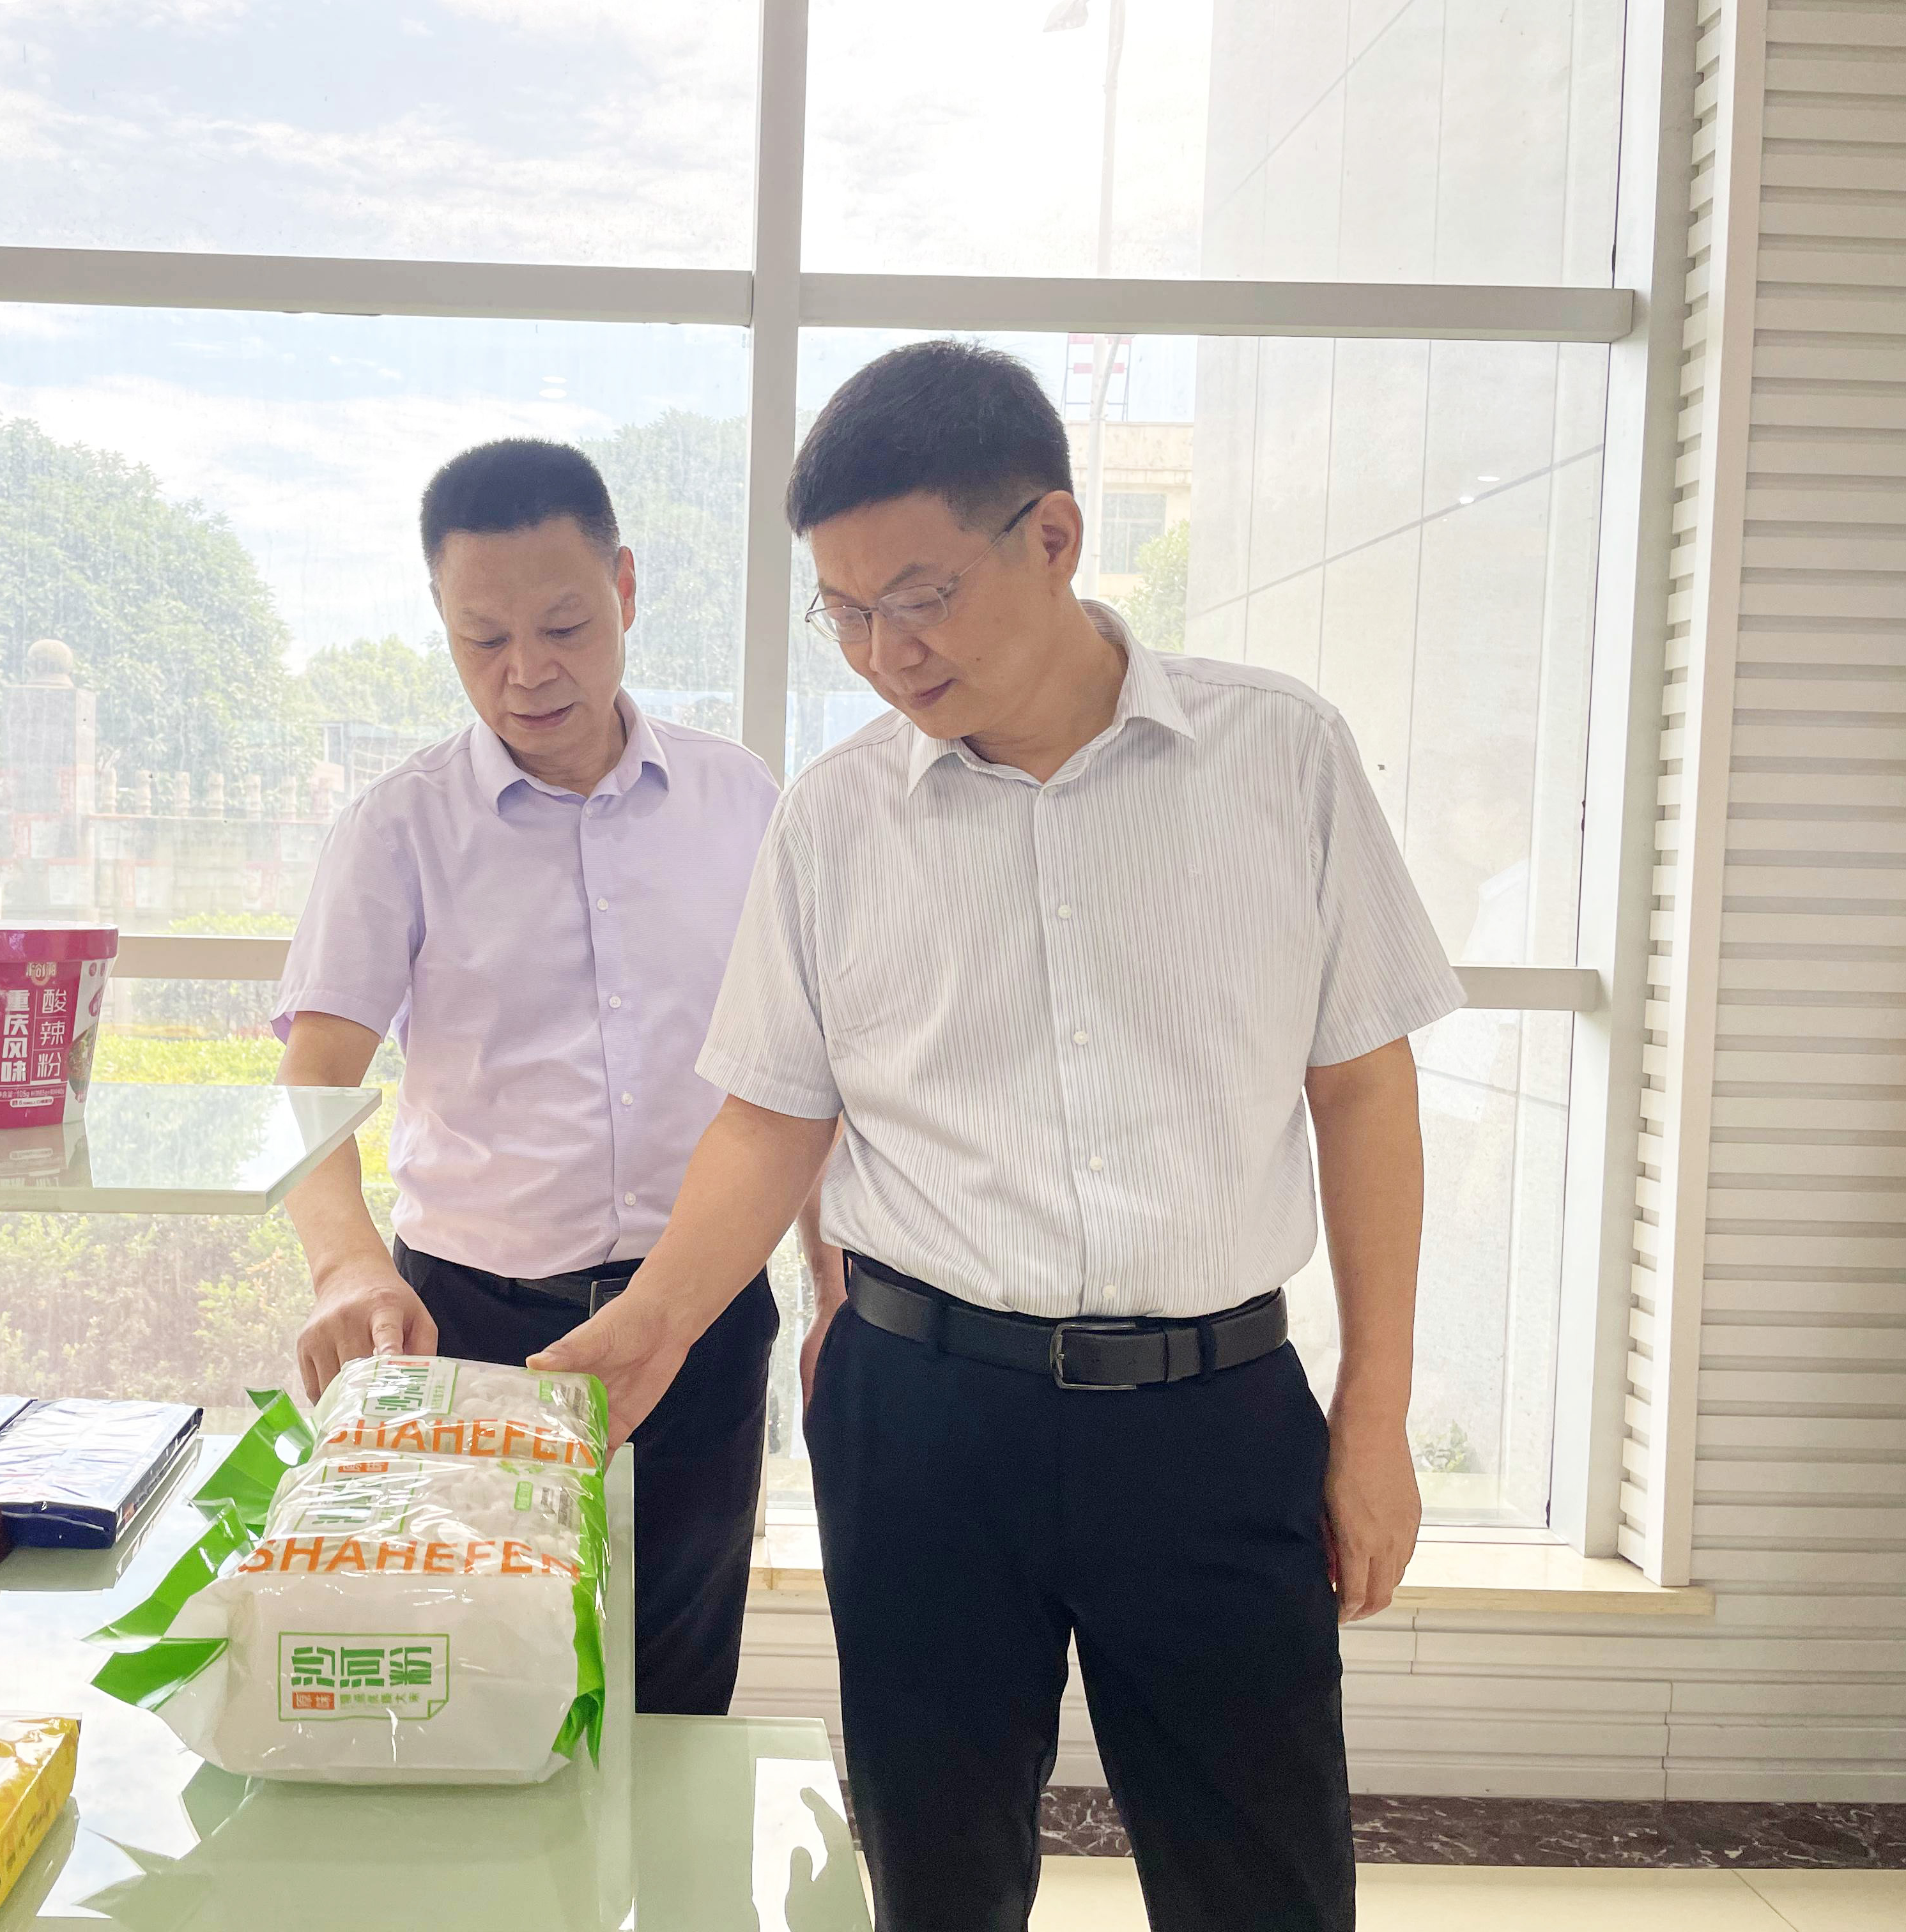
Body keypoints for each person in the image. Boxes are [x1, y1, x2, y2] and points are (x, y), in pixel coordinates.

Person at [536, 342, 1468, 1931]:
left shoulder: (1281, 756)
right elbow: (774, 1114)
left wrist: (1374, 1409)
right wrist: (661, 1317)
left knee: (1266, 1882)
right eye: (846, 613)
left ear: (1054, 536)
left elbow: (1365, 1089)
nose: (884, 654)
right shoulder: (837, 818)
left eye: (920, 598)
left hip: (1213, 1413)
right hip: (925, 1416)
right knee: (938, 1877)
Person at [271, 438, 836, 1718]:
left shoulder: (740, 801)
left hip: (699, 1310)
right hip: (470, 1328)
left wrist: (827, 1268)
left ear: (626, 588)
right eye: (483, 639)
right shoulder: (398, 827)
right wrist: (346, 1268)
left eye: (566, 626)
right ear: (441, 620)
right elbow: (313, 1082)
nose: (527, 672)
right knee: (474, 1686)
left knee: (677, 1680)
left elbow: (797, 1067)